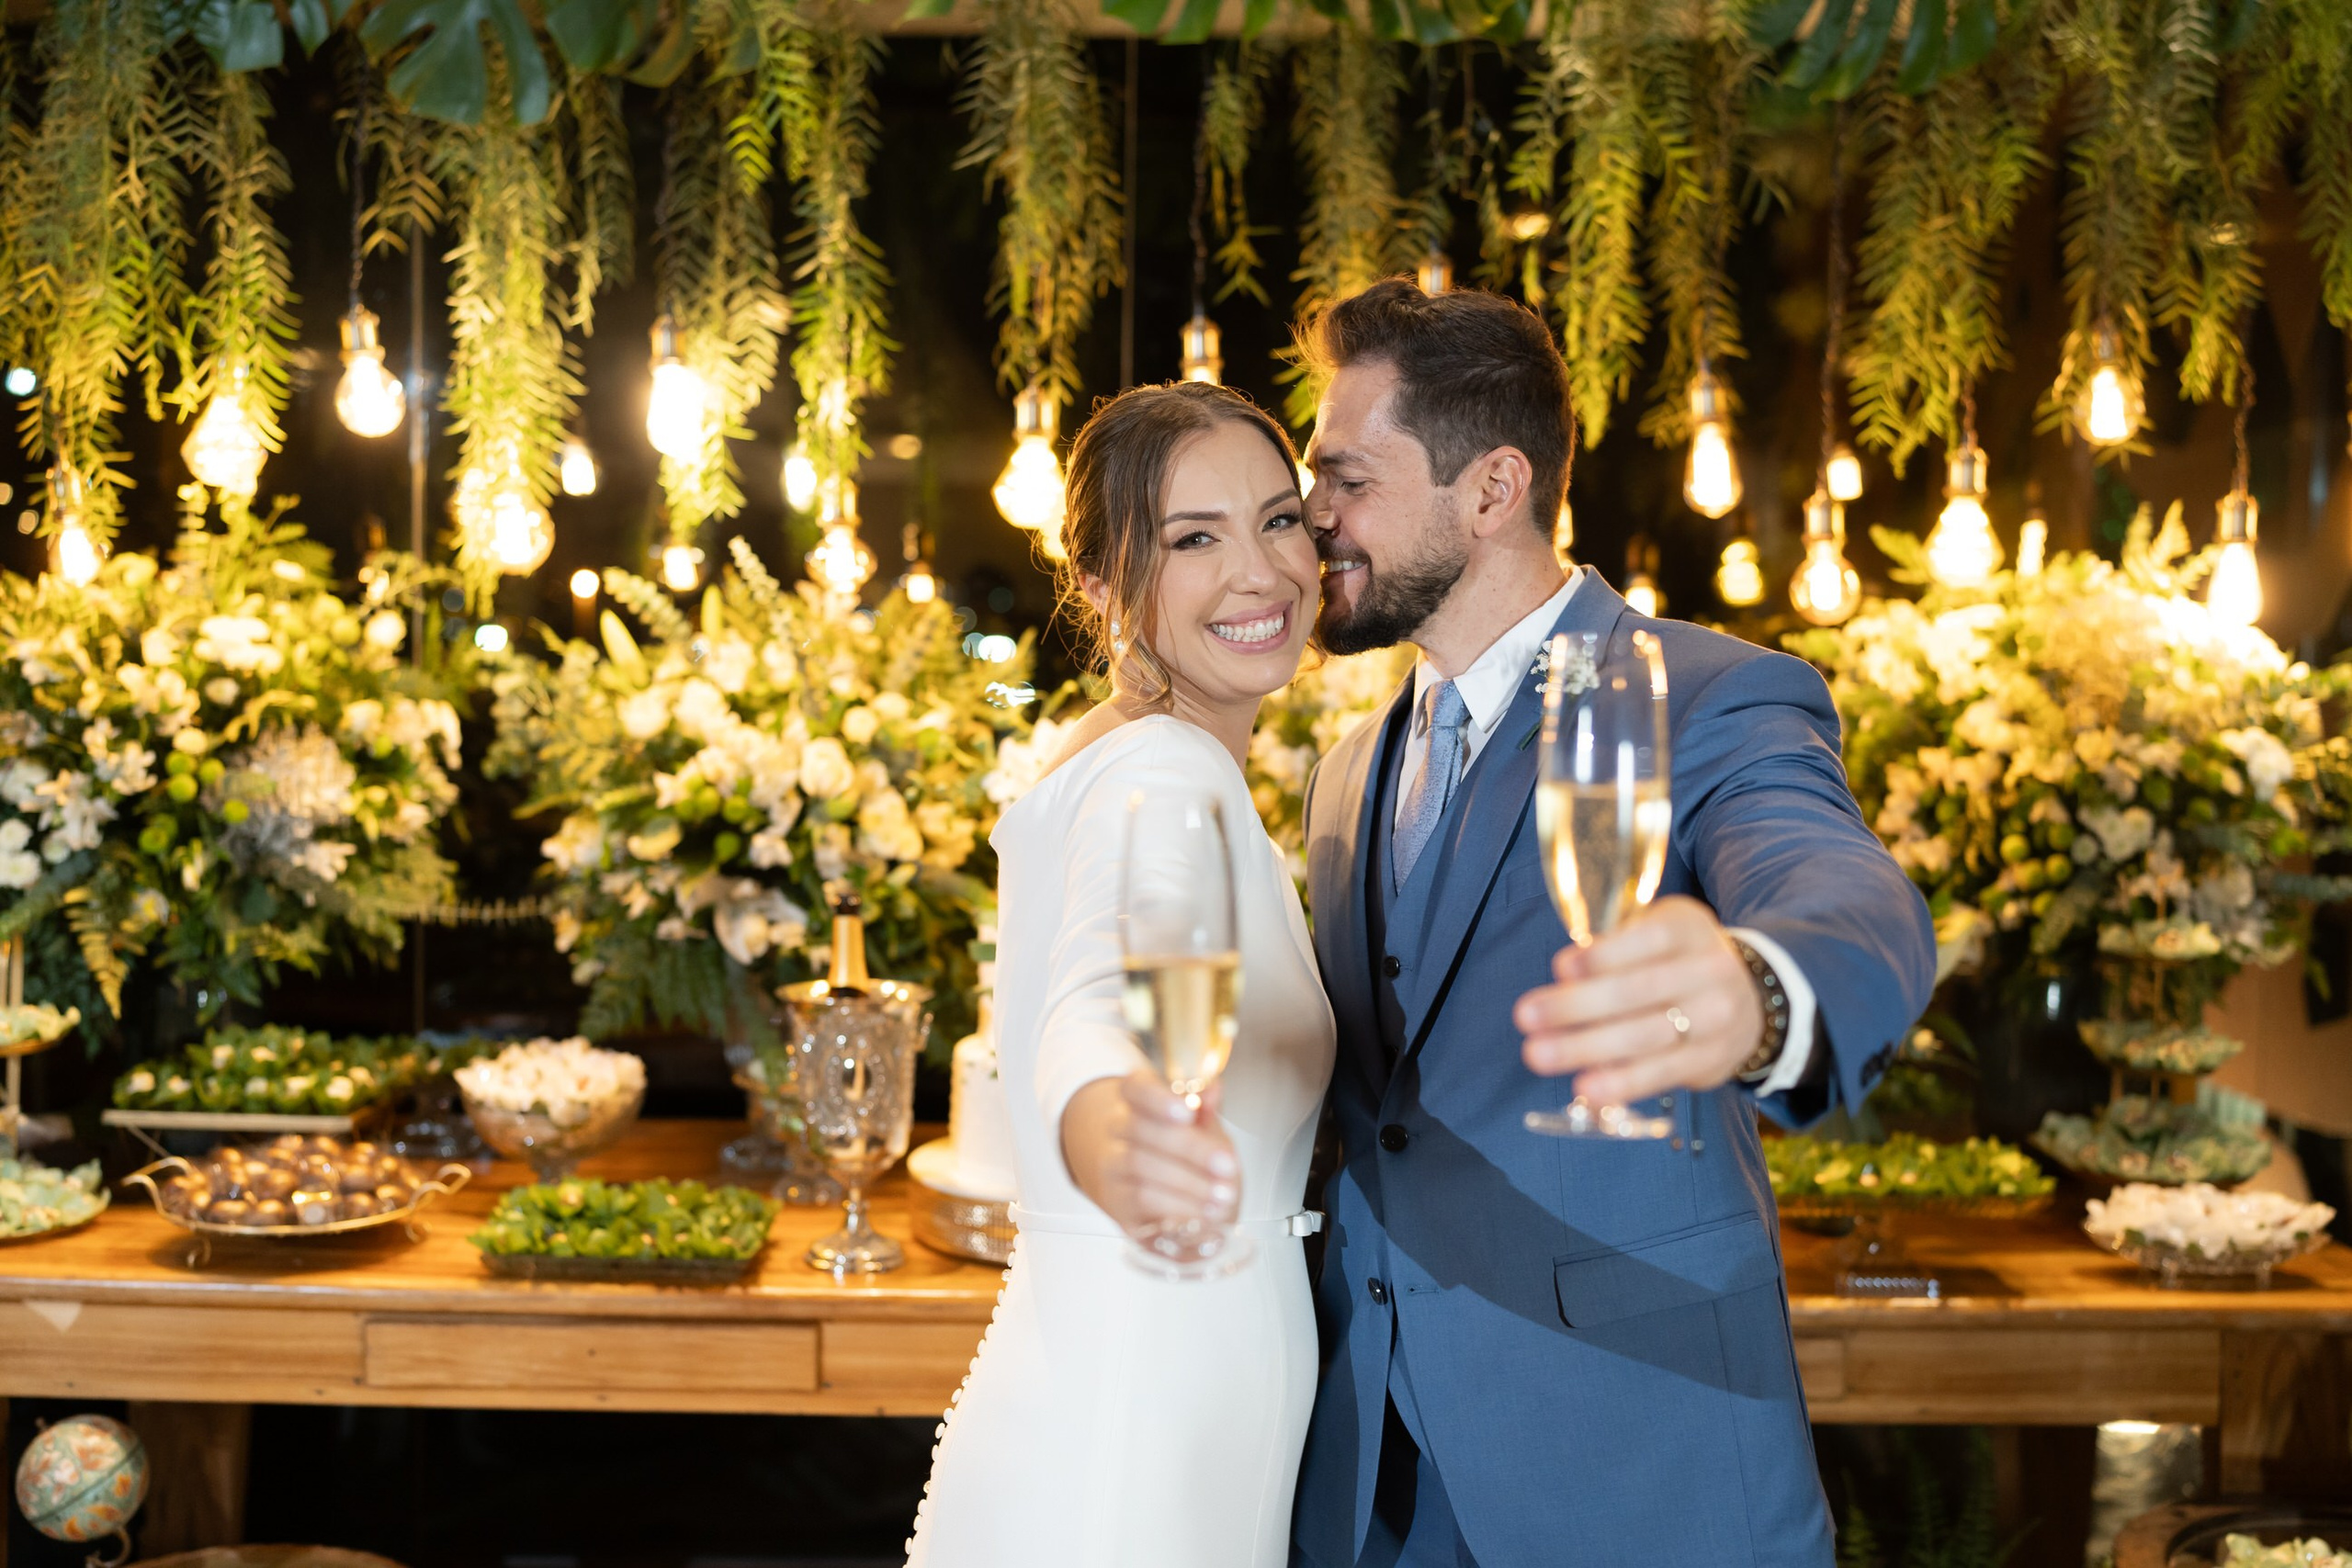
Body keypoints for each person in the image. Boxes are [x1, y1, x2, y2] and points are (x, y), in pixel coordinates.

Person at [1288, 278, 1937, 1568]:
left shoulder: (1713, 696)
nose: (1311, 518)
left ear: (1491, 489)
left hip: (1639, 1462)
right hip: (1377, 1483)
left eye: (1344, 477)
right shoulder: (1352, 763)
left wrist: (1757, 989)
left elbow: (1847, 894)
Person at [904, 380, 1338, 1568]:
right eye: (1194, 540)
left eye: (1278, 519)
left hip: (1108, 1378)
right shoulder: (1164, 775)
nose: (1259, 571)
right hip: (1157, 1412)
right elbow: (1102, 993)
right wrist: (1110, 1121)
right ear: (1098, 585)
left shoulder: (1104, 755)